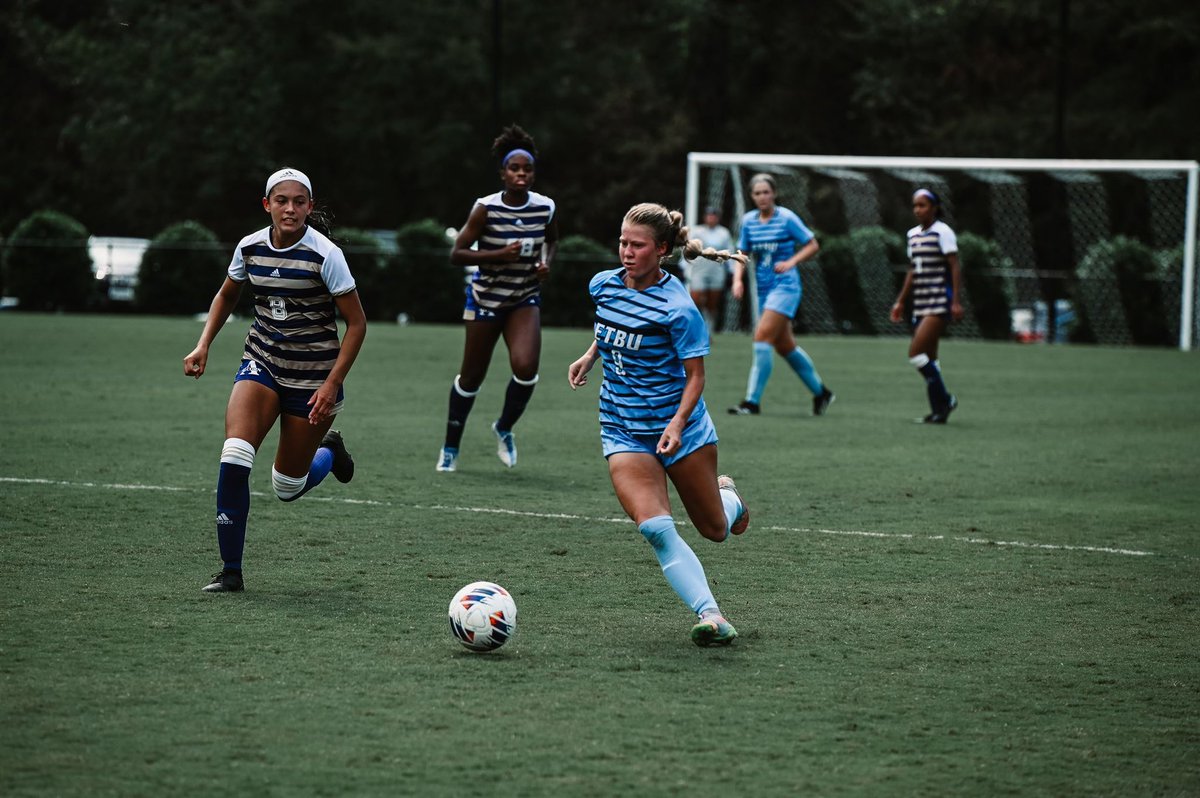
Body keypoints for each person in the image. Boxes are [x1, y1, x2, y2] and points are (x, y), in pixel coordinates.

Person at [567, 202, 751, 647]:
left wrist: (676, 423)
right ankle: (711, 614)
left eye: (638, 245)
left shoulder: (678, 307)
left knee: (714, 530)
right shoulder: (602, 285)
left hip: (680, 430)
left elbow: (697, 377)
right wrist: (591, 355)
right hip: (622, 427)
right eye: (623, 242)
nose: (626, 252)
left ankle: (730, 500)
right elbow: (611, 324)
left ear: (662, 249)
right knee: (654, 526)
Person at [183, 167, 366, 593]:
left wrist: (330, 384)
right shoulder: (249, 247)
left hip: (314, 377)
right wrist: (203, 343)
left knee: (287, 487)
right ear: (267, 205)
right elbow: (229, 292)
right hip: (262, 363)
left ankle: (330, 450)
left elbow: (356, 325)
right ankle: (231, 571)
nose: (290, 208)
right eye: (281, 200)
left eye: (298, 201)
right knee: (234, 457)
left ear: (310, 207)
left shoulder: (326, 255)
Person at [438, 125, 559, 472]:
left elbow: (552, 241)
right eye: (515, 169)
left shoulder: (545, 207)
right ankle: (450, 447)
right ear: (503, 173)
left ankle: (504, 427)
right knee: (471, 377)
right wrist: (498, 254)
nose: (521, 174)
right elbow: (457, 254)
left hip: (523, 297)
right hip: (485, 299)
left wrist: (545, 264)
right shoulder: (485, 208)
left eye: (528, 169)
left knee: (526, 368)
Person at [728, 173, 834, 417]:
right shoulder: (749, 221)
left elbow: (812, 244)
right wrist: (736, 280)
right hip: (764, 289)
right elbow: (741, 253)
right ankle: (821, 393)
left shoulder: (786, 218)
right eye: (757, 193)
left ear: (774, 193)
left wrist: (791, 261)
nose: (763, 197)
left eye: (766, 192)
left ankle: (751, 402)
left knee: (762, 336)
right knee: (785, 346)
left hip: (786, 287)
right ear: (752, 197)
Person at [890, 187, 963, 423]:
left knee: (915, 353)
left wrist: (955, 301)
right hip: (920, 302)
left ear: (934, 207)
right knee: (930, 358)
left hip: (938, 300)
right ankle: (938, 411)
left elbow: (954, 266)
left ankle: (946, 399)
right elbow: (913, 269)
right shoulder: (912, 235)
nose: (918, 210)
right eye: (915, 205)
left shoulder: (943, 232)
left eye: (922, 205)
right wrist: (901, 300)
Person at [681, 206, 734, 333]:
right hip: (699, 269)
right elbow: (688, 248)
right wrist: (683, 266)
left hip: (717, 270)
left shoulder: (724, 233)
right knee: (696, 299)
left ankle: (708, 330)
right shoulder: (697, 231)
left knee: (712, 302)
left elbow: (729, 252)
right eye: (709, 215)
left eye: (714, 215)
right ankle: (696, 328)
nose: (711, 218)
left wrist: (733, 271)